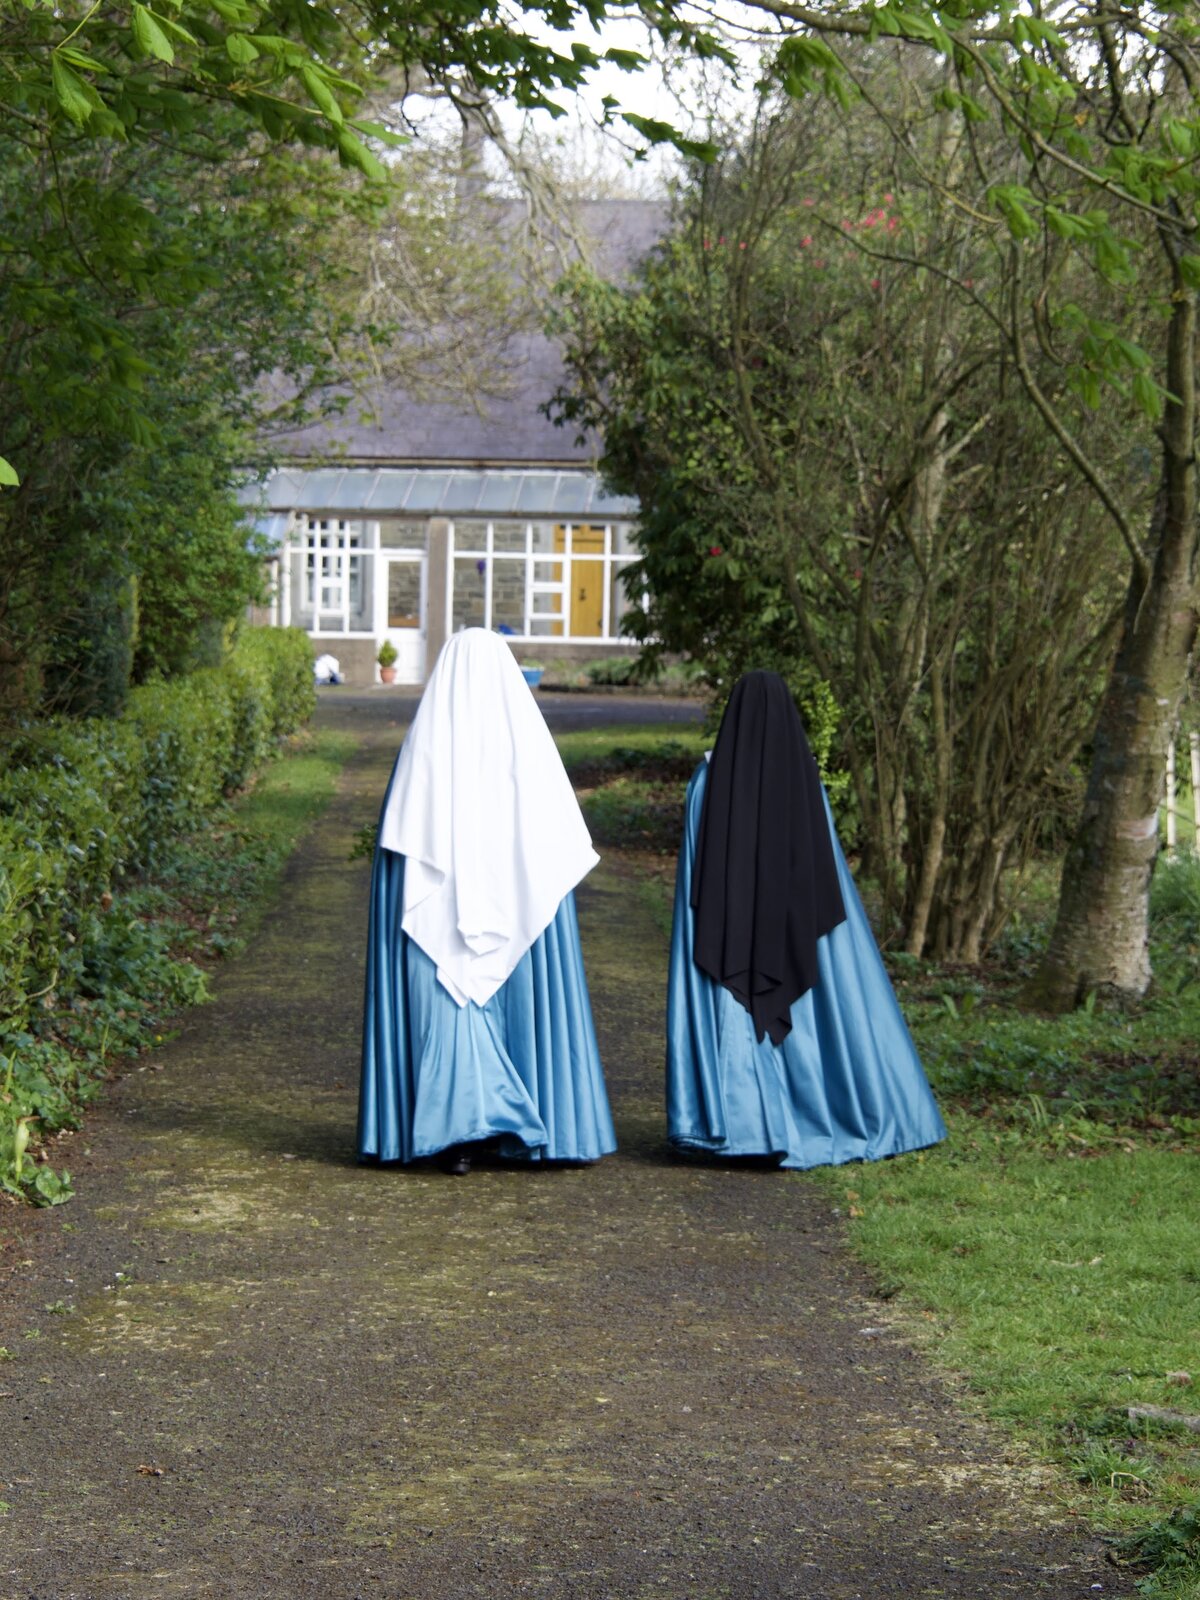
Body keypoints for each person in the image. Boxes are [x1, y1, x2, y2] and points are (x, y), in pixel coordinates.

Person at [358, 628, 616, 1174]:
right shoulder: (532, 758)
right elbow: (553, 857)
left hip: (430, 941)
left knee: (444, 1000)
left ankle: (452, 1131)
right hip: (514, 933)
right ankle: (525, 1124)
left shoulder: (417, 759)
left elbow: (400, 855)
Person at [666, 670, 946, 1170]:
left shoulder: (706, 783)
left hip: (722, 939)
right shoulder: (803, 781)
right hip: (795, 939)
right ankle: (813, 1114)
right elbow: (823, 871)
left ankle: (736, 1126)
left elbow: (695, 876)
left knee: (732, 1018)